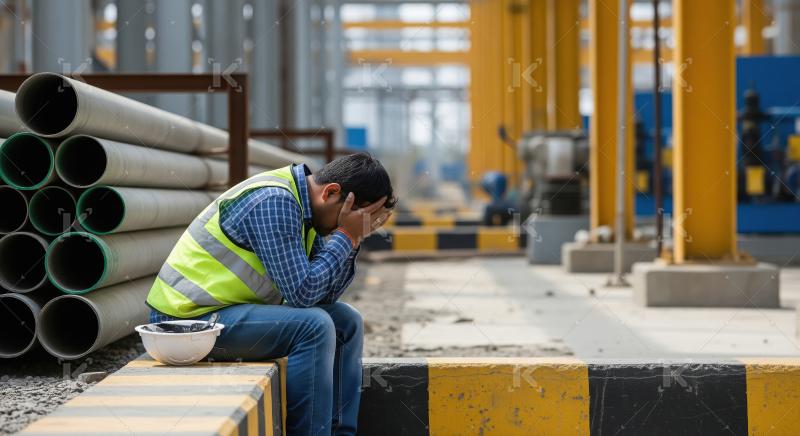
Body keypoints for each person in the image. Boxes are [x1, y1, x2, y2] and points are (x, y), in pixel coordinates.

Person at [146, 153, 395, 435]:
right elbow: (302, 294)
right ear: (331, 192)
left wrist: (351, 240)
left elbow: (323, 296)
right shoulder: (274, 202)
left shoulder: (306, 211)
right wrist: (346, 237)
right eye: (353, 219)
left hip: (219, 317)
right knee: (314, 326)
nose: (346, 228)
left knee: (346, 322)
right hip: (183, 325)